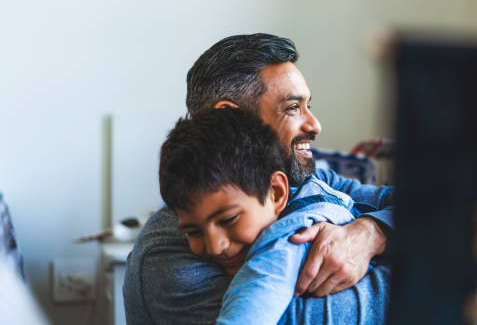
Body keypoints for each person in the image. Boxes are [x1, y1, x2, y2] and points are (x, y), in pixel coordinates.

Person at [124, 33, 394, 324]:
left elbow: (434, 209)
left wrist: (372, 232)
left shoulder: (300, 181)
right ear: (233, 117)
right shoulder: (166, 260)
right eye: (292, 107)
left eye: (308, 106)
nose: (314, 125)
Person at [159, 107, 391, 324]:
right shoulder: (160, 256)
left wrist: (374, 230)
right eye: (193, 231)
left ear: (278, 193)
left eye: (228, 220)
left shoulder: (285, 242)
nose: (215, 245)